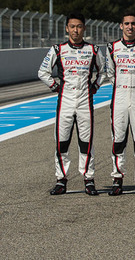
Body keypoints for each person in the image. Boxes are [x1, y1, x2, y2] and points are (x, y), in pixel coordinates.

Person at [38, 12, 106, 195]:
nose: (76, 30)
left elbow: (104, 71)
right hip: (65, 102)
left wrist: (95, 87)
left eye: (79, 26)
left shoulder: (93, 50)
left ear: (84, 28)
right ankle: (61, 180)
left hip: (85, 101)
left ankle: (89, 179)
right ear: (67, 28)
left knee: (86, 142)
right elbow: (43, 72)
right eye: (72, 26)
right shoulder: (58, 50)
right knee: (62, 142)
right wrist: (55, 87)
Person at [106, 12, 135, 196]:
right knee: (118, 140)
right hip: (119, 96)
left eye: (133, 24)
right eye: (126, 23)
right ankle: (117, 179)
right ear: (121, 26)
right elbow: (110, 73)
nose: (130, 27)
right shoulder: (112, 48)